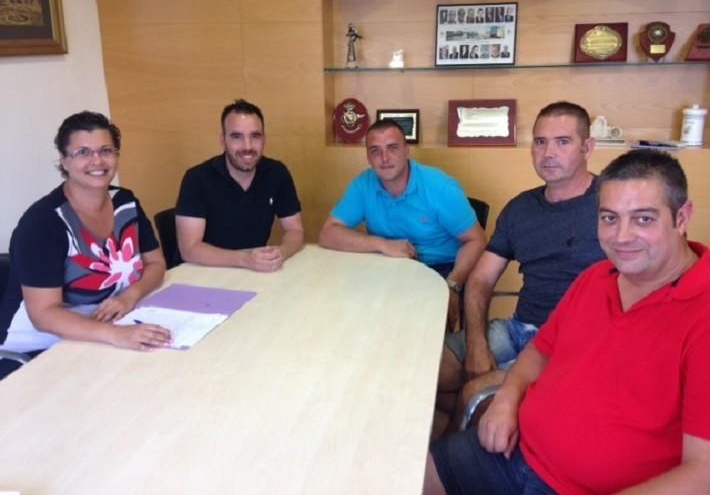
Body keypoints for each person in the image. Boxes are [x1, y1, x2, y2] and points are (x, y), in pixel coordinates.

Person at [425, 149, 710, 494]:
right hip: (515, 452)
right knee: (398, 479)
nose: (621, 236)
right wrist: (507, 398)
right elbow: (539, 351)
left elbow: (702, 474)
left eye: (643, 219)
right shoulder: (596, 278)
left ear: (682, 217)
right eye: (609, 218)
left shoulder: (702, 314)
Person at [437, 101, 605, 430]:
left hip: (574, 346)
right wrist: (476, 344)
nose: (548, 153)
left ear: (588, 147)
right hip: (518, 328)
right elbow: (480, 280)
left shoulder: (611, 206)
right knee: (428, 369)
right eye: (540, 142)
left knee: (474, 395)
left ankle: (452, 453)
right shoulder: (521, 208)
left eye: (563, 142)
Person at [0, 111, 170, 378]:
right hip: (37, 348)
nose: (97, 160)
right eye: (82, 152)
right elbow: (44, 315)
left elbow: (156, 263)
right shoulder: (43, 223)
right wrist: (116, 335)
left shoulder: (125, 202)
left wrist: (129, 296)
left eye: (106, 150)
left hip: (104, 332)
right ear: (64, 161)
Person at [319, 119, 487, 332]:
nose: (384, 158)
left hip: (441, 269)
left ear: (407, 151)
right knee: (348, 311)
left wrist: (452, 286)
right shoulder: (363, 184)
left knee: (414, 330)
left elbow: (477, 240)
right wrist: (382, 244)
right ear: (368, 157)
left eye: (393, 148)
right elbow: (328, 233)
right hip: (389, 266)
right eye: (375, 151)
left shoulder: (440, 187)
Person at [175, 99, 304, 272]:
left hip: (251, 273)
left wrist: (281, 253)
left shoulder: (276, 173)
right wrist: (244, 259)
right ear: (223, 140)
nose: (247, 146)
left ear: (264, 139)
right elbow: (189, 249)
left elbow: (295, 230)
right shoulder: (197, 178)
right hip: (202, 273)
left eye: (255, 136)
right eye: (237, 137)